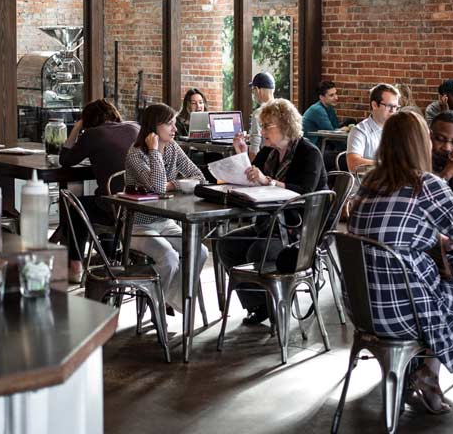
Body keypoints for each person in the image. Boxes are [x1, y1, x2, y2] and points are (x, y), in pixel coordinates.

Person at [348, 111, 453, 426]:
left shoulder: (370, 184)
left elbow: (394, 232)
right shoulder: (424, 183)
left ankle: (428, 375)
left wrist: (440, 241)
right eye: (429, 136)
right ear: (419, 143)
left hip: (366, 311)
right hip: (406, 312)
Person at [220, 99, 328, 325]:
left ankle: (277, 306)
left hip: (299, 231)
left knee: (259, 250)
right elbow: (251, 178)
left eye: (267, 126)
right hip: (270, 225)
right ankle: (258, 305)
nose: (262, 131)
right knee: (226, 244)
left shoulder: (309, 153)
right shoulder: (268, 153)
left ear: (285, 125)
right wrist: (241, 155)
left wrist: (268, 181)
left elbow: (304, 192)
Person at [125, 103, 207, 312]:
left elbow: (199, 177)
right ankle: (159, 304)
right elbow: (159, 186)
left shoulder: (172, 147)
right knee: (169, 257)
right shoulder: (136, 154)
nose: (175, 129)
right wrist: (154, 151)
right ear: (154, 127)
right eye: (169, 124)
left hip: (165, 221)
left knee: (200, 251)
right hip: (137, 226)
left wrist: (174, 185)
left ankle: (166, 299)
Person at [60, 99, 139, 281]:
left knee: (77, 207)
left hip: (114, 208)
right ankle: (111, 255)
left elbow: (65, 159)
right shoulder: (135, 127)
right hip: (138, 206)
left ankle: (75, 267)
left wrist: (77, 128)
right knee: (101, 199)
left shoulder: (93, 134)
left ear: (88, 120)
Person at [346, 83, 399, 174]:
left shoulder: (398, 130)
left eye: (395, 107)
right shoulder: (360, 131)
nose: (393, 111)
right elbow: (353, 164)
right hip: (368, 184)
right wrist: (387, 166)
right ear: (374, 105)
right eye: (389, 106)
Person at [246, 72, 276, 161]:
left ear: (257, 89)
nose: (253, 94)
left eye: (253, 90)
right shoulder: (283, 109)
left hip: (266, 162)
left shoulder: (259, 113)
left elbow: (254, 148)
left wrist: (252, 167)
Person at [302, 80, 341, 146]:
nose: (336, 97)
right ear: (321, 97)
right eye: (331, 95)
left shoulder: (330, 107)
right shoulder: (317, 109)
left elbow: (336, 127)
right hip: (312, 147)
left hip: (322, 143)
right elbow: (331, 134)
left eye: (336, 94)